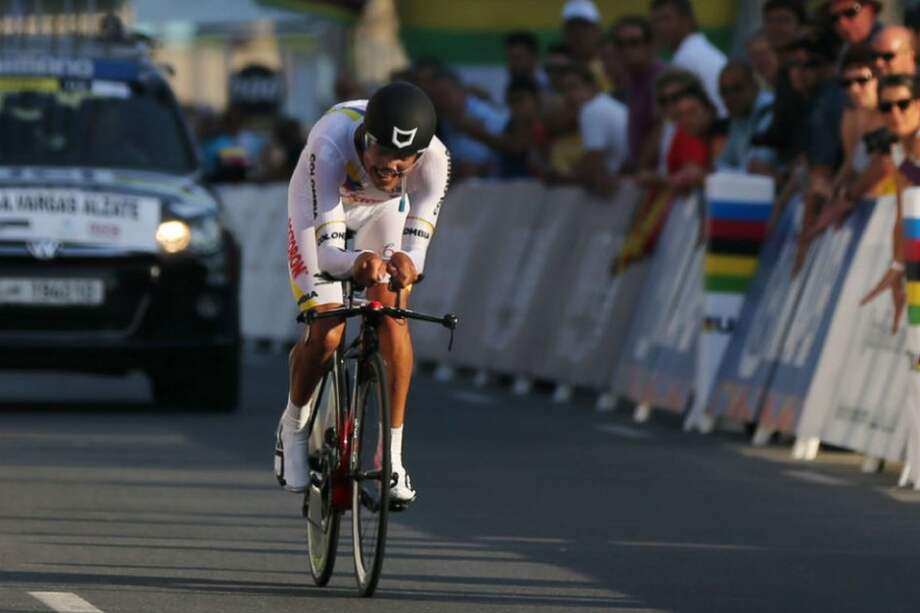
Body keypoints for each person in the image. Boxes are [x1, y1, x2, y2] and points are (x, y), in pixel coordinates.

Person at [276, 81, 450, 505]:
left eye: (401, 164)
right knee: (329, 329)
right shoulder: (331, 143)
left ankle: (391, 456)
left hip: (382, 213)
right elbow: (328, 253)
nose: (389, 169)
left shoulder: (437, 161)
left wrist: (407, 266)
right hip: (321, 205)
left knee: (393, 317)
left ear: (420, 156)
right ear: (366, 139)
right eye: (381, 156)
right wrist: (356, 263)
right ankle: (294, 428)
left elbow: (416, 254)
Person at [859, 73, 918, 333]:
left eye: (902, 105)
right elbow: (903, 214)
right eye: (886, 107)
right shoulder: (899, 148)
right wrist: (898, 267)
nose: (895, 113)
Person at [809, 43, 887, 234]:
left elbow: (895, 167)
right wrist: (832, 195)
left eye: (863, 80)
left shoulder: (902, 118)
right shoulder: (852, 118)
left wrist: (848, 196)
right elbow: (849, 167)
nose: (854, 89)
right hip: (869, 216)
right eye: (847, 83)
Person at [550, 63, 628, 197]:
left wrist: (563, 179)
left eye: (573, 87)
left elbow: (594, 167)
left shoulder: (590, 110)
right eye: (564, 90)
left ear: (592, 87)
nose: (569, 95)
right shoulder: (602, 105)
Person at [459, 76, 547, 179]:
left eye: (521, 100)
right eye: (512, 101)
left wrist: (479, 133)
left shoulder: (544, 125)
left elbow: (517, 147)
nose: (516, 106)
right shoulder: (509, 125)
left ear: (536, 100)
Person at [650, 0, 727, 116]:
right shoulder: (698, 49)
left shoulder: (687, 58)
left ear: (686, 20)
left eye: (666, 19)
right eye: (656, 21)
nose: (659, 27)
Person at [610, 15, 666, 169]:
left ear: (650, 45)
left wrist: (638, 166)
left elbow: (662, 126)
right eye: (620, 44)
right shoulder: (635, 79)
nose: (626, 50)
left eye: (634, 43)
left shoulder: (660, 78)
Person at [429, 68, 506, 179]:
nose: (440, 101)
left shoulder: (486, 114)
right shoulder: (443, 119)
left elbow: (507, 151)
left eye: (443, 94)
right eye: (435, 97)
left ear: (460, 92)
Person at [715, 61, 776, 174]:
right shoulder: (739, 116)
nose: (730, 97)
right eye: (724, 92)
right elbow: (724, 163)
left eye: (737, 89)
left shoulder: (771, 112)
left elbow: (757, 170)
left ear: (754, 86)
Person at [561, 0, 612, 94]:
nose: (578, 34)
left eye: (584, 27)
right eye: (572, 28)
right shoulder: (559, 74)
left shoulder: (614, 69)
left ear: (598, 30)